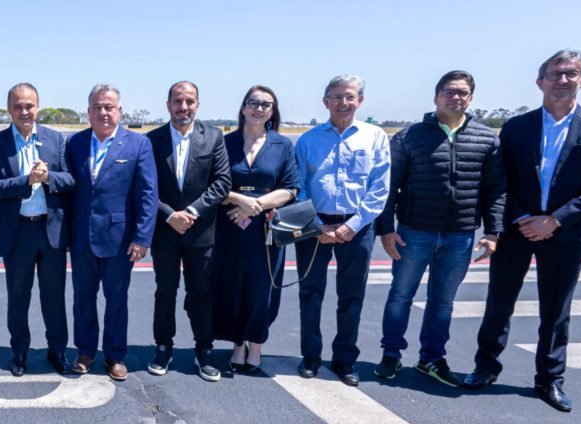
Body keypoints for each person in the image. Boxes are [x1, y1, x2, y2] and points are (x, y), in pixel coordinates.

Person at [461, 50, 581, 412]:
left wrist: (556, 219)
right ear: (540, 81)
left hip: (568, 232)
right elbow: (502, 181)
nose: (562, 80)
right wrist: (521, 218)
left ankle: (549, 380)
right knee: (499, 301)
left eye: (571, 73)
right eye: (555, 74)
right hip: (519, 229)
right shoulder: (518, 126)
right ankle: (485, 367)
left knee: (556, 309)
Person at [373, 70, 504, 387]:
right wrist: (386, 230)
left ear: (471, 98)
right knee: (400, 295)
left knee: (443, 301)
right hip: (413, 232)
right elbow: (389, 187)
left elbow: (496, 190)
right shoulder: (410, 136)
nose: (456, 97)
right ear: (436, 96)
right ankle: (391, 354)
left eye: (462, 92)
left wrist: (492, 232)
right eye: (449, 91)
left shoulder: (487, 139)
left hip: (460, 236)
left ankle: (431, 358)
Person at [293, 74, 391, 386]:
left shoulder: (375, 137)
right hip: (315, 224)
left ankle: (345, 359)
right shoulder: (308, 140)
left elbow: (380, 187)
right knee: (310, 293)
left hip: (358, 226)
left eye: (349, 97)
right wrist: (315, 225)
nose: (343, 103)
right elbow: (300, 186)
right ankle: (310, 356)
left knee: (351, 296)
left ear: (359, 101)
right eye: (336, 97)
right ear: (325, 102)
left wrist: (353, 224)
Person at [65, 84, 159, 380]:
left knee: (117, 300)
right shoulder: (75, 143)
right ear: (88, 111)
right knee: (83, 298)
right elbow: (70, 193)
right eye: (97, 107)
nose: (103, 112)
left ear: (119, 111)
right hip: (82, 238)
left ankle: (115, 355)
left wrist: (142, 237)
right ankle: (85, 350)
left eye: (109, 107)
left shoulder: (137, 145)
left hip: (120, 240)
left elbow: (147, 194)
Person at [0, 82, 74, 376]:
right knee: (18, 296)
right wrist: (27, 181)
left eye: (30, 106)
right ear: (9, 109)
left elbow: (70, 180)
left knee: (54, 297)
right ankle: (19, 351)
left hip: (50, 231)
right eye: (18, 106)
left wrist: (48, 179)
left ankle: (57, 350)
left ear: (38, 107)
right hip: (17, 232)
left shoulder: (55, 139)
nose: (24, 111)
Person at [146, 81, 231, 380]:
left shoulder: (214, 137)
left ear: (198, 104)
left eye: (190, 101)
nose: (184, 107)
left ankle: (204, 349)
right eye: (178, 101)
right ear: (168, 105)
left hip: (200, 231)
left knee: (201, 293)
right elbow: (145, 187)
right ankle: (163, 346)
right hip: (165, 230)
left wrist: (191, 212)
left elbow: (222, 183)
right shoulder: (152, 140)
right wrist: (170, 215)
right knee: (165, 293)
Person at [212, 86, 299, 376]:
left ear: (273, 111)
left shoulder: (282, 146)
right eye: (253, 102)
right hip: (230, 225)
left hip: (266, 229)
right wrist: (239, 200)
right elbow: (214, 184)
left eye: (266, 105)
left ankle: (257, 343)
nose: (259, 109)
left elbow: (290, 188)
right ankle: (237, 343)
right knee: (233, 284)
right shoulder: (224, 143)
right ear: (243, 106)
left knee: (262, 288)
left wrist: (256, 205)